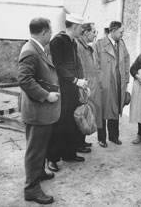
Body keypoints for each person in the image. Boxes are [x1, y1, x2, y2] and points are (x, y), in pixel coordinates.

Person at [17, 17, 60, 204]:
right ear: (43, 33)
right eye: (50, 31)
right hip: (38, 110)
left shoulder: (36, 49)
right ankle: (31, 189)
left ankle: (39, 172)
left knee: (40, 147)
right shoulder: (30, 51)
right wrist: (46, 95)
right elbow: (24, 80)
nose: (51, 34)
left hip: (42, 111)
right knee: (35, 151)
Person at [46, 13, 89, 173]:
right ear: (75, 27)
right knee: (59, 124)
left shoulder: (73, 42)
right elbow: (58, 66)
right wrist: (76, 80)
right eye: (81, 28)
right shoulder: (57, 41)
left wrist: (82, 82)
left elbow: (77, 64)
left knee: (71, 122)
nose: (82, 31)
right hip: (61, 88)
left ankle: (68, 153)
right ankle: (52, 159)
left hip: (72, 88)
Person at [93, 21, 130, 148]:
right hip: (105, 83)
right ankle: (101, 138)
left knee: (115, 109)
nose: (122, 34)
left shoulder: (122, 44)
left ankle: (114, 136)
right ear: (113, 31)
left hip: (118, 82)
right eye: (121, 32)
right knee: (102, 111)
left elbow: (126, 61)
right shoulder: (99, 44)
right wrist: (101, 80)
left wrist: (126, 80)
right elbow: (95, 64)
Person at [76, 23, 103, 138]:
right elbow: (80, 68)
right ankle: (79, 142)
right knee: (82, 113)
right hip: (86, 86)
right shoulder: (79, 46)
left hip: (92, 85)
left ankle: (82, 140)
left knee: (89, 113)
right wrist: (84, 87)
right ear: (86, 32)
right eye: (94, 32)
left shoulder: (87, 46)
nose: (95, 35)